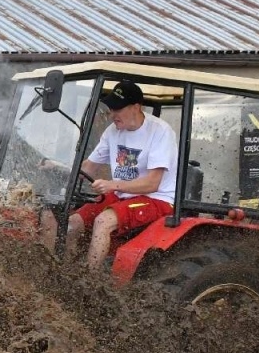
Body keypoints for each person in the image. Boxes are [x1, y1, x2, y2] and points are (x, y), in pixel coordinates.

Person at [42, 79, 177, 270]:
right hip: (123, 195)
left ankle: (88, 282)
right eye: (111, 108)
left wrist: (113, 184)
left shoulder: (160, 132)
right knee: (72, 224)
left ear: (136, 107)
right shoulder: (113, 131)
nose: (112, 114)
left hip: (156, 199)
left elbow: (152, 184)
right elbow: (89, 167)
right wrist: (59, 168)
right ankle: (63, 272)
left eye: (118, 109)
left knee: (103, 222)